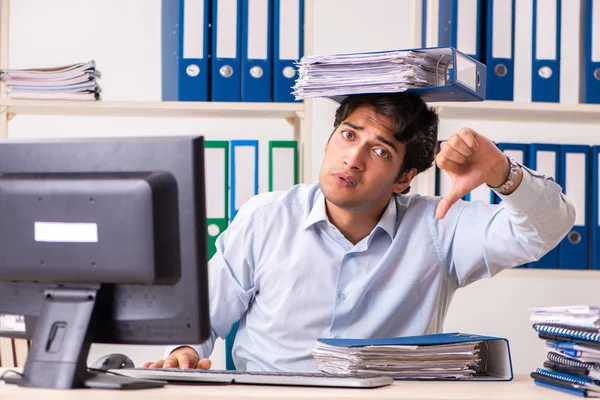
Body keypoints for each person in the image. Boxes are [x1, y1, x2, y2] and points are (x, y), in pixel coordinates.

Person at [144, 93, 575, 371]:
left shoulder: (439, 226)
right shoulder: (265, 216)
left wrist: (503, 173)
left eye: (379, 151)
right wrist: (184, 350)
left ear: (404, 177)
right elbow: (200, 319)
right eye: (348, 135)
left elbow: (544, 231)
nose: (352, 158)